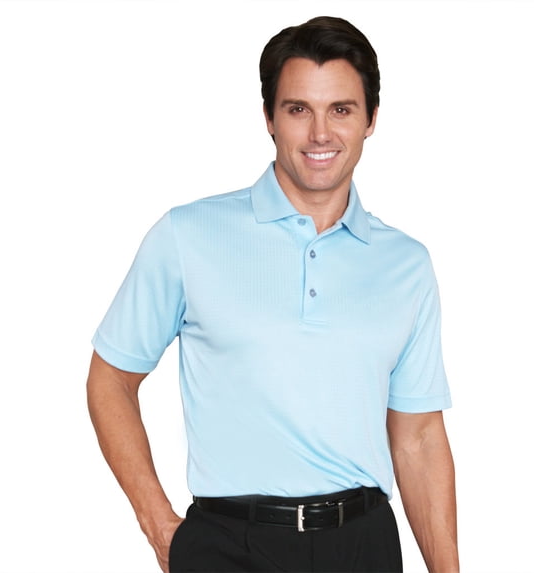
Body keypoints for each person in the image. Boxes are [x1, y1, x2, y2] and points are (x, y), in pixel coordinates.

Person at [87, 15, 459, 573]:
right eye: (298, 109)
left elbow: (419, 437)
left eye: (341, 110)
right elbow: (110, 379)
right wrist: (160, 526)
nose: (320, 134)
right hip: (229, 545)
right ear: (268, 118)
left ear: (371, 119)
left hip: (364, 547)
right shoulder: (188, 236)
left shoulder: (406, 263)